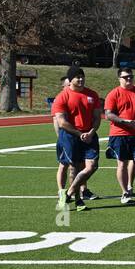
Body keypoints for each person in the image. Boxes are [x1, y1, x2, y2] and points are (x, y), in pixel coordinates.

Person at [51, 66, 103, 211]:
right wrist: (79, 134)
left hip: (89, 135)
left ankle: (69, 193)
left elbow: (97, 117)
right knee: (73, 167)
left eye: (82, 76)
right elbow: (61, 121)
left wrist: (91, 132)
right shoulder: (62, 96)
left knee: (92, 166)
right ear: (70, 79)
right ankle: (78, 201)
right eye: (77, 77)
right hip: (71, 135)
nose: (80, 79)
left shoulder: (92, 94)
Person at [103, 68, 135, 205]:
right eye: (125, 77)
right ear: (119, 78)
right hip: (120, 134)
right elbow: (108, 114)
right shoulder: (114, 94)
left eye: (130, 76)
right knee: (122, 163)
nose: (129, 79)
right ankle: (125, 192)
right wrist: (125, 122)